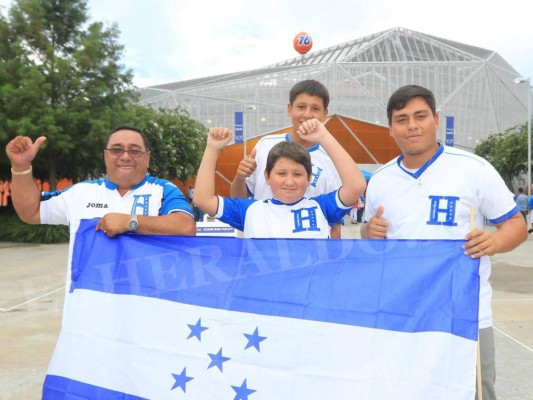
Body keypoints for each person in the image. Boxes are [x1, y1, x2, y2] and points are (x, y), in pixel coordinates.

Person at [360, 85, 527, 400]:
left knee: (476, 392)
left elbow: (517, 224)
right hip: (405, 313)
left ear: (435, 119)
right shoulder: (381, 181)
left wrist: (493, 241)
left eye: (420, 116)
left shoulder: (473, 169)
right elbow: (372, 242)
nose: (412, 125)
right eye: (402, 119)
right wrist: (369, 233)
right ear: (390, 129)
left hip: (465, 314)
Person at [6, 124, 196, 265]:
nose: (125, 156)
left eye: (135, 150)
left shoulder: (163, 189)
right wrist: (21, 166)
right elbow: (31, 212)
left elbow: (186, 227)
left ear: (147, 157)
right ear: (105, 155)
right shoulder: (81, 192)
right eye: (117, 149)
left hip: (148, 304)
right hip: (92, 307)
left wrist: (131, 222)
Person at [194, 120, 366, 238]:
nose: (289, 181)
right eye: (281, 173)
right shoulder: (250, 210)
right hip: (263, 290)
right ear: (267, 176)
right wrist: (212, 148)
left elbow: (356, 186)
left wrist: (324, 137)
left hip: (309, 290)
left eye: (297, 174)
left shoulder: (321, 208)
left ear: (309, 178)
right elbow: (203, 200)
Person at [230, 79, 344, 238]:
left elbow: (335, 223)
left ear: (325, 114)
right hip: (264, 249)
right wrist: (240, 178)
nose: (307, 114)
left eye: (315, 108)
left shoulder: (331, 160)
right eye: (301, 107)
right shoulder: (264, 146)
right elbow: (238, 200)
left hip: (307, 254)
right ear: (290, 109)